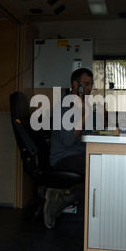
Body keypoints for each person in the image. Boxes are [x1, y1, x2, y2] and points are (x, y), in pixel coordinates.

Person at [43, 68, 94, 229]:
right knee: (94, 167)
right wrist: (84, 115)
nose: (89, 89)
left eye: (91, 85)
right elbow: (67, 140)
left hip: (78, 154)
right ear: (75, 84)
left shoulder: (82, 106)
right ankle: (60, 199)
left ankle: (67, 198)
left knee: (101, 162)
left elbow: (86, 135)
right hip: (63, 158)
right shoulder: (64, 107)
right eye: (85, 84)